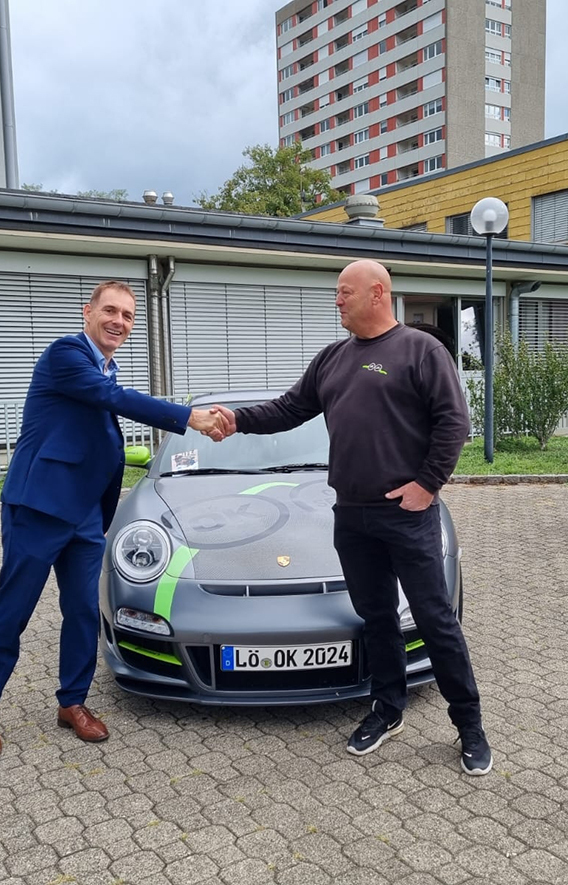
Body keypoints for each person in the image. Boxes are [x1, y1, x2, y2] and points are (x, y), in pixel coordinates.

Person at [211, 260, 492, 776]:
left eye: (345, 292)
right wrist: (236, 421)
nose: (336, 300)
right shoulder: (333, 358)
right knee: (376, 617)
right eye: (337, 292)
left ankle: (469, 726)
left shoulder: (420, 350)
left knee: (435, 620)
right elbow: (288, 409)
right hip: (352, 516)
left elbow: (454, 422)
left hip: (407, 517)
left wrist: (427, 485)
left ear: (377, 293)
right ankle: (388, 709)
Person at [0, 280, 226, 762]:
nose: (119, 322)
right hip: (39, 507)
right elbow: (115, 399)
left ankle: (72, 702)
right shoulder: (66, 355)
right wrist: (189, 416)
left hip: (85, 515)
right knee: (13, 611)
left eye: (128, 316)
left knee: (85, 612)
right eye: (110, 310)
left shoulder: (105, 367)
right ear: (87, 312)